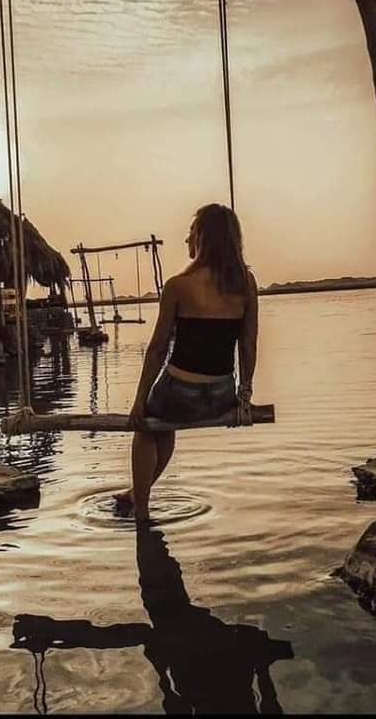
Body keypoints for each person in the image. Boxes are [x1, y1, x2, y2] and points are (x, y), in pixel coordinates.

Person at [115, 203, 259, 521]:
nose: (186, 239)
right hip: (221, 393)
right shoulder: (246, 283)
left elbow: (157, 349)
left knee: (148, 423)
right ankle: (135, 493)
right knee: (165, 428)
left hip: (179, 392)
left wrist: (139, 400)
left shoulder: (178, 286)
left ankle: (141, 512)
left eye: (191, 232)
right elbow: (248, 345)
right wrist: (244, 395)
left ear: (204, 237)